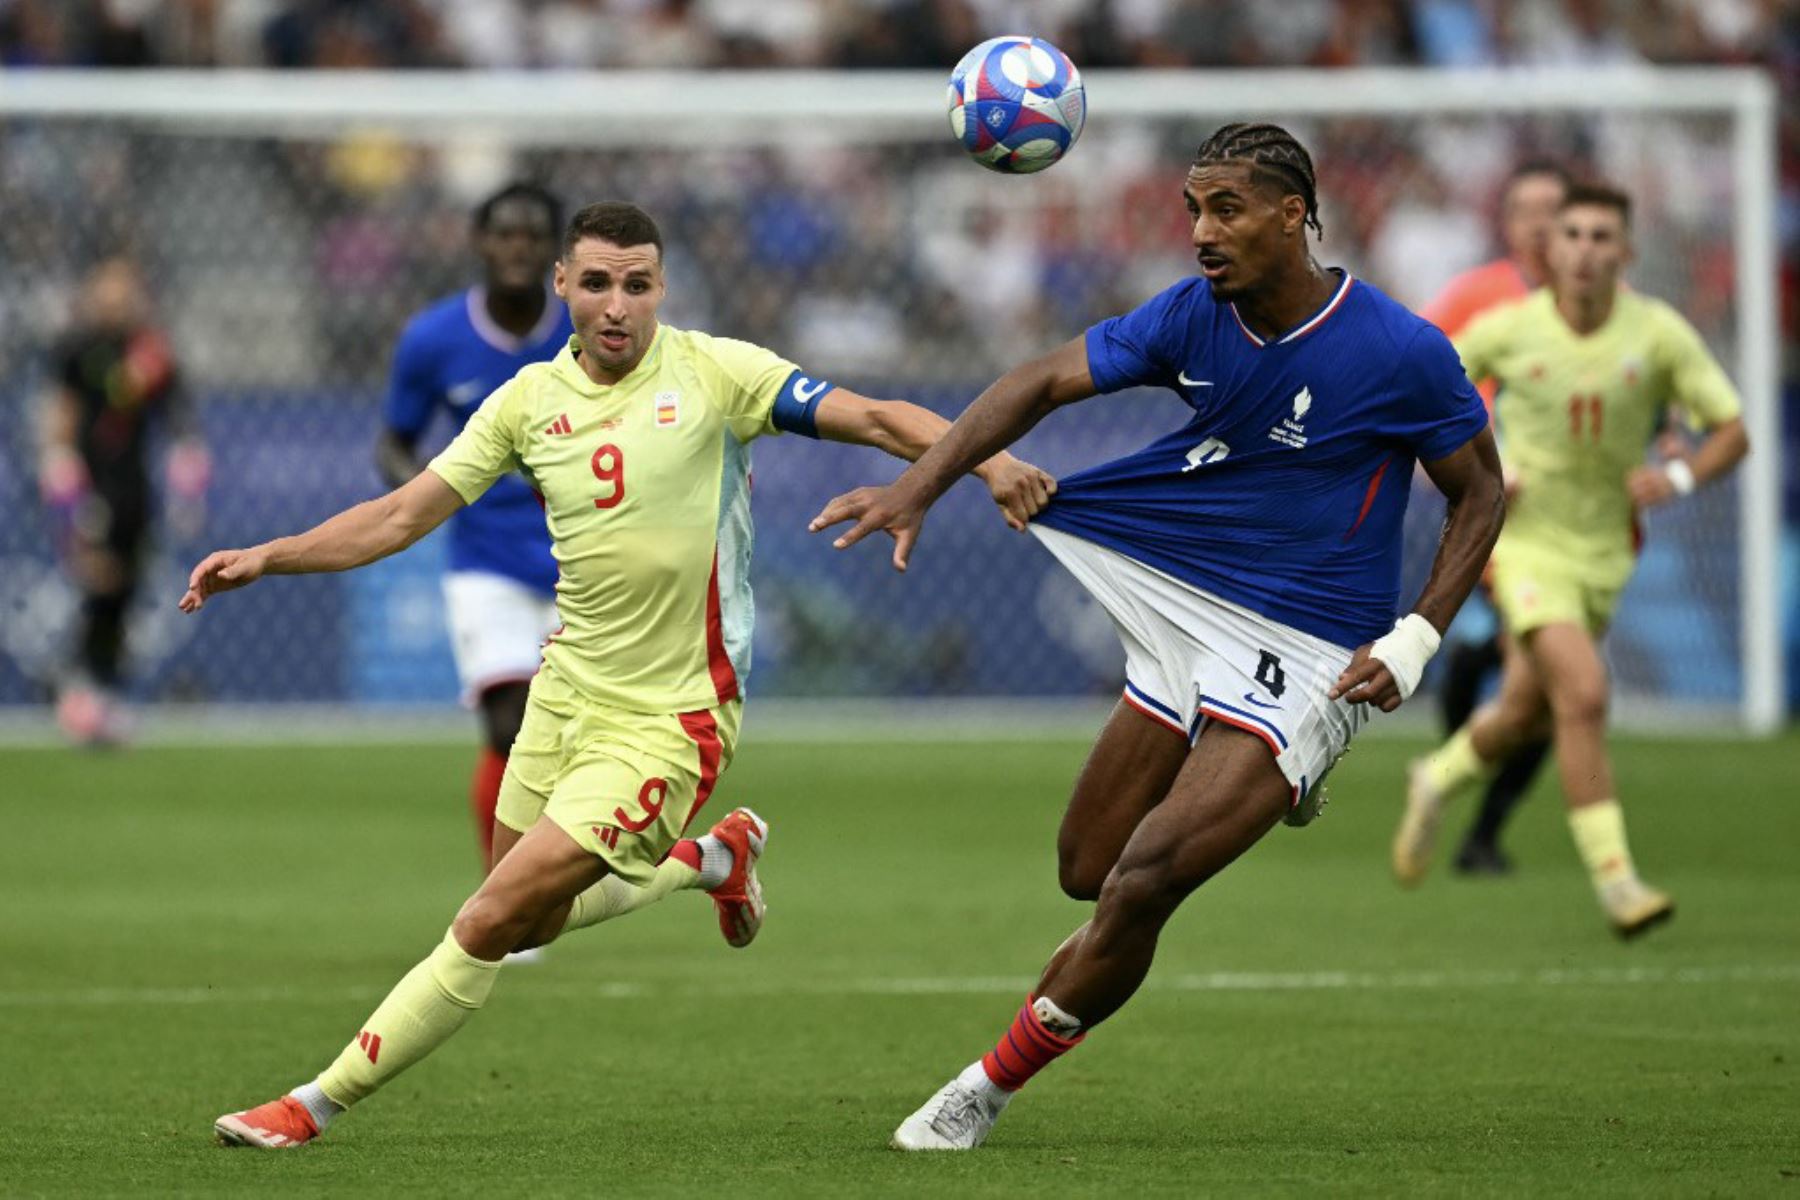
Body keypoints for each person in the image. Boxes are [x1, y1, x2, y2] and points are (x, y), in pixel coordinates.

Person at [183, 201, 1056, 1149]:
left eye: (637, 284)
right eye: (596, 282)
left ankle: (312, 1104)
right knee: (532, 924)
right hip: (565, 694)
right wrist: (270, 553)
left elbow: (878, 416)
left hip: (674, 717)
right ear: (562, 283)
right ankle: (710, 860)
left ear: (661, 288)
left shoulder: (719, 373)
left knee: (486, 919)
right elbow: (400, 516)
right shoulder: (525, 403)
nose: (616, 305)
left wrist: (991, 460)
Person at [811, 123, 1505, 1151]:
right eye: (1192, 209)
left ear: (1294, 214)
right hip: (1184, 617)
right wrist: (921, 488)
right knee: (1087, 871)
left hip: (1309, 652)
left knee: (1142, 883)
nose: (1200, 232)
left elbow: (1481, 493)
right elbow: (1042, 380)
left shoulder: (1399, 350)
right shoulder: (1191, 315)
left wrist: (1416, 637)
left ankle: (981, 1091)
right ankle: (1249, 799)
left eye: (1225, 209)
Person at [1392, 183, 1748, 937]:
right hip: (1523, 543)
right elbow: (1421, 388)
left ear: (1627, 252)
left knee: (1524, 708)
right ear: (1547, 251)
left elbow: (1731, 428)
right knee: (1583, 693)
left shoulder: (1657, 335)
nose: (1585, 251)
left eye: (1600, 238)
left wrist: (1680, 470)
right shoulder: (1508, 327)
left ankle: (1437, 776)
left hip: (1605, 550)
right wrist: (1484, 463)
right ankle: (1619, 883)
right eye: (1573, 236)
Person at [376, 181, 571, 869]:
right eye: (505, 234)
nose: (518, 247)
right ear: (480, 244)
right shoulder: (433, 339)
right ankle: (506, 895)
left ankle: (553, 878)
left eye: (533, 235)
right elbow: (394, 439)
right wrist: (428, 492)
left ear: (557, 253)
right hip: (486, 557)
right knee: (509, 728)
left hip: (588, 559)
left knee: (584, 744)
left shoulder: (590, 330)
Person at [1418, 159, 1569, 876]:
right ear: (1507, 224)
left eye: (1553, 209)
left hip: (1569, 524)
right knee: (1524, 673)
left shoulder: (1608, 304)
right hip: (1482, 501)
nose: (1540, 223)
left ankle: (1475, 818)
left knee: (1544, 684)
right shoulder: (1476, 296)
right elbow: (1410, 370)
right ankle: (1461, 791)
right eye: (1526, 210)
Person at [38, 256, 209, 745]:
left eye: (128, 287)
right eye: (110, 286)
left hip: (135, 489)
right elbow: (61, 419)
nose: (119, 297)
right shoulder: (77, 348)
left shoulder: (152, 352)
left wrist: (187, 473)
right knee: (101, 584)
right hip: (94, 489)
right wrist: (66, 485)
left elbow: (178, 418)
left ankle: (100, 692)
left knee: (128, 590)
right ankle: (80, 687)